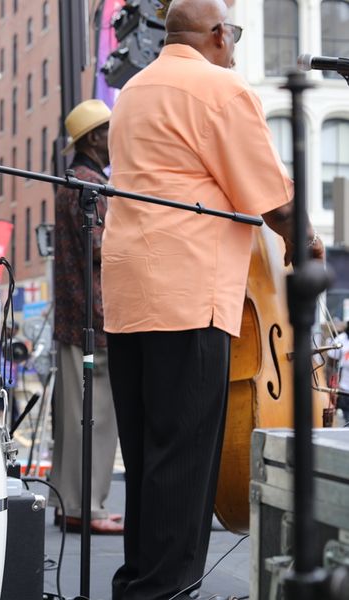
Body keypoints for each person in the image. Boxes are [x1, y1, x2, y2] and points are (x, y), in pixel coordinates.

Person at [102, 1, 325, 598]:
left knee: (148, 452)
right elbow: (268, 195)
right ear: (220, 34)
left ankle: (138, 584)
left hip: (127, 292)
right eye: (235, 35)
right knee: (184, 455)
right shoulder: (218, 87)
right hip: (188, 290)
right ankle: (163, 591)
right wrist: (305, 241)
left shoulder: (134, 91)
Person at [50, 99, 123, 535]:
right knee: (92, 419)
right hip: (92, 318)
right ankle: (84, 507)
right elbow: (100, 246)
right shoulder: (87, 184)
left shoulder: (76, 181)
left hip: (80, 317)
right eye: (110, 131)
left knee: (79, 417)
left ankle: (74, 502)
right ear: (95, 137)